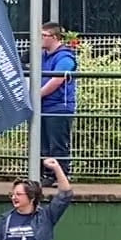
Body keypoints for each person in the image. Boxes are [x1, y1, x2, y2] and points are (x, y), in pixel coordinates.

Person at [39, 22, 79, 174]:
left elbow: (57, 80)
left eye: (44, 35)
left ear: (54, 37)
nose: (40, 39)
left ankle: (60, 176)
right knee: (44, 145)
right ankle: (47, 175)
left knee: (57, 144)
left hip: (58, 107)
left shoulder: (65, 57)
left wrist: (37, 94)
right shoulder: (42, 56)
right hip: (44, 106)